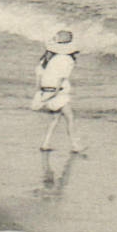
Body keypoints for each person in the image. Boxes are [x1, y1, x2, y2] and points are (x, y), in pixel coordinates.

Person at [31, 29, 83, 179]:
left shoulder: (46, 60)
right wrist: (55, 93)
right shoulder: (66, 60)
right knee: (70, 118)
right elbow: (61, 79)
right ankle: (74, 145)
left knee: (56, 118)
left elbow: (38, 80)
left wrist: (41, 95)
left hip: (44, 91)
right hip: (58, 93)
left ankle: (46, 142)